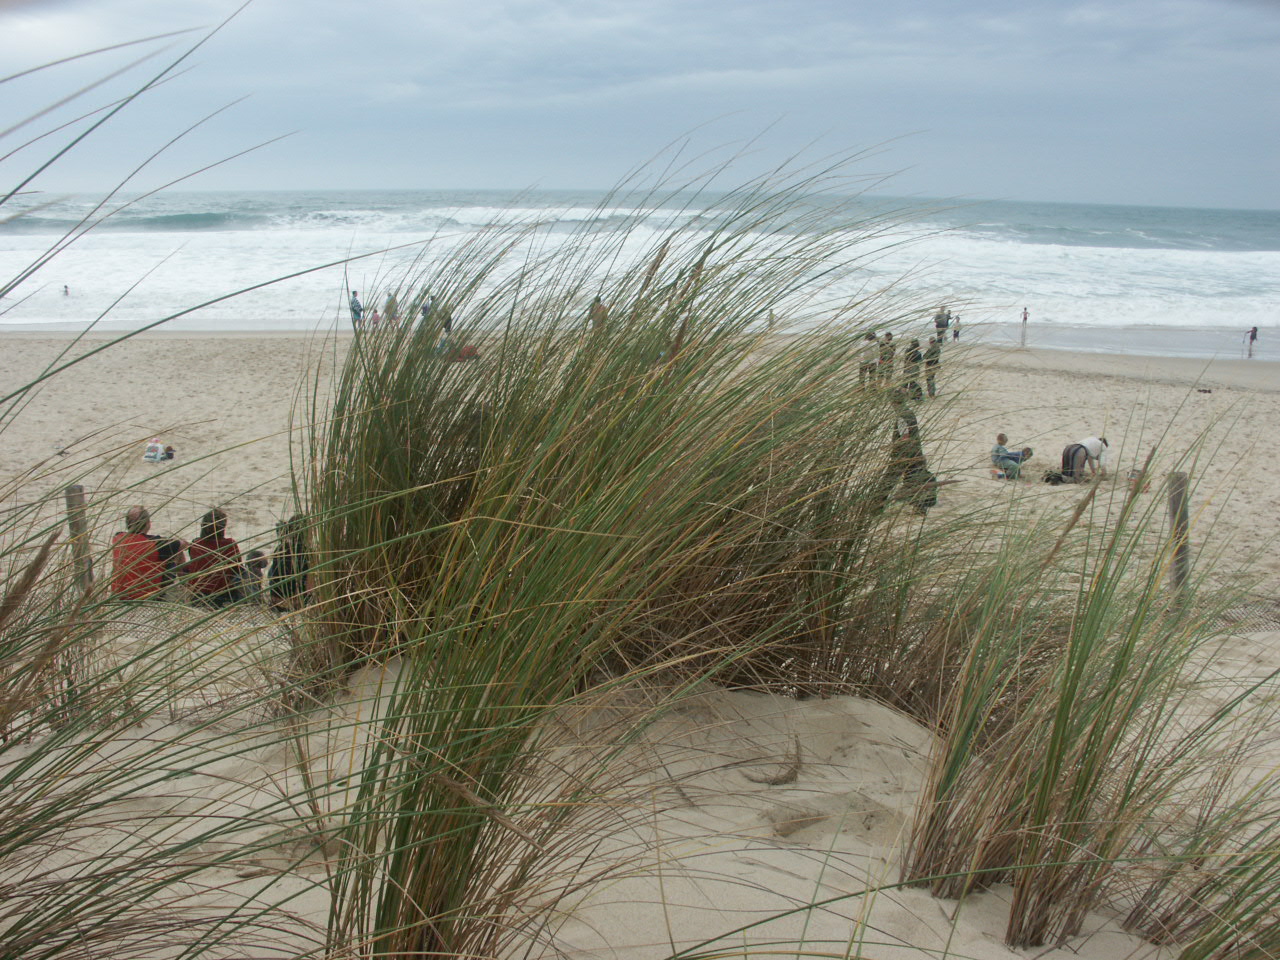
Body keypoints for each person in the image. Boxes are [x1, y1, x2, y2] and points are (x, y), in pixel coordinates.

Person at [111, 506, 186, 600]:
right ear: (148, 524)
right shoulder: (155, 543)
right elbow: (182, 544)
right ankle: (187, 588)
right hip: (147, 596)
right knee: (176, 550)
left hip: (120, 595)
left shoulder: (117, 538)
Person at [183, 508, 248, 608]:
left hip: (198, 595)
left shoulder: (196, 545)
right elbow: (237, 569)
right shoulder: (230, 545)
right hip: (223, 595)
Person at [268, 514, 310, 610]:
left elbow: (273, 577)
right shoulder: (308, 552)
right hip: (296, 604)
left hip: (276, 602)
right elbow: (309, 586)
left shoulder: (280, 549)